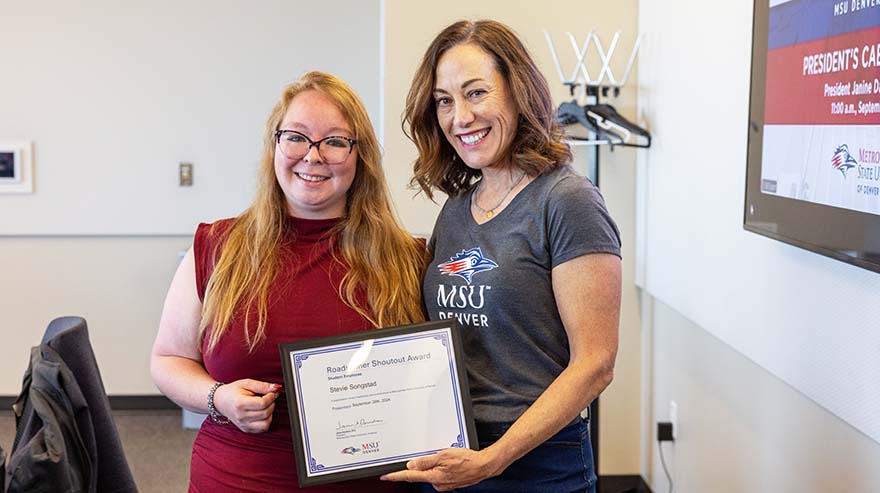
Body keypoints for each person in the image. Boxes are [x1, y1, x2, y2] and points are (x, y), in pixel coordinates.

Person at [150, 71, 424, 492]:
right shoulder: (217, 246)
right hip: (237, 477)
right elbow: (168, 360)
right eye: (296, 137)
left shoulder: (407, 258)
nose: (313, 156)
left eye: (335, 141)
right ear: (274, 146)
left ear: (360, 156)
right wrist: (217, 398)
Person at [381, 20, 622, 493]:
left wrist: (493, 460)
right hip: (451, 453)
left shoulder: (567, 200)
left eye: (475, 93)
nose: (460, 117)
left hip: (536, 463)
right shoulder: (456, 209)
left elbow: (596, 363)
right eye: (444, 101)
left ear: (518, 92)